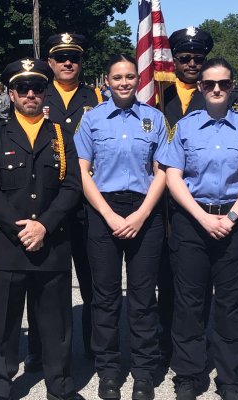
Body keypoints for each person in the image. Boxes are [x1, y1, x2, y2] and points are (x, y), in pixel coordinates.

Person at [156, 58, 238, 400]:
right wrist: (202, 217)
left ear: (232, 86)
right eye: (209, 84)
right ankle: (189, 374)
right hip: (192, 223)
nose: (216, 89)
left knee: (231, 303)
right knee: (189, 304)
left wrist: (232, 217)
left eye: (223, 83)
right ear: (201, 88)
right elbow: (172, 177)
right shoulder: (184, 126)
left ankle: (231, 378)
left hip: (235, 224)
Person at [0, 58, 84, 400]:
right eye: (23, 89)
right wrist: (21, 228)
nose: (30, 95)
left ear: (45, 92)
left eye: (37, 88)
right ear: (11, 94)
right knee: (4, 326)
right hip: (9, 244)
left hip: (52, 243)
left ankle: (60, 386)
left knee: (56, 325)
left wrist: (45, 226)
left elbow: (72, 186)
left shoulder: (61, 136)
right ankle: (1, 387)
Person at [75, 54, 168, 400]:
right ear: (107, 82)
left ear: (137, 80)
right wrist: (110, 215)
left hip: (145, 211)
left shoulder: (154, 118)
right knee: (106, 297)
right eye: (118, 78)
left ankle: (144, 371)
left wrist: (142, 214)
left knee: (144, 298)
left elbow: (162, 170)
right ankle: (109, 371)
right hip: (104, 210)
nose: (125, 82)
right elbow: (83, 172)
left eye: (130, 76)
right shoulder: (92, 120)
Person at [28, 32, 102, 370]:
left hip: (87, 204)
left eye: (74, 57)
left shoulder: (97, 96)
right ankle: (39, 349)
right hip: (48, 203)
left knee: (93, 282)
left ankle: (93, 345)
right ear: (50, 62)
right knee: (42, 282)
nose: (68, 62)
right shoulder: (37, 94)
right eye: (61, 57)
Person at [158, 25, 214, 367]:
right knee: (164, 272)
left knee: (198, 278)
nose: (192, 63)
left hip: (197, 199)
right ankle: (166, 340)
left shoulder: (214, 93)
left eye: (198, 58)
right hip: (158, 198)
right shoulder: (156, 92)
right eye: (184, 58)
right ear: (173, 60)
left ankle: (197, 338)